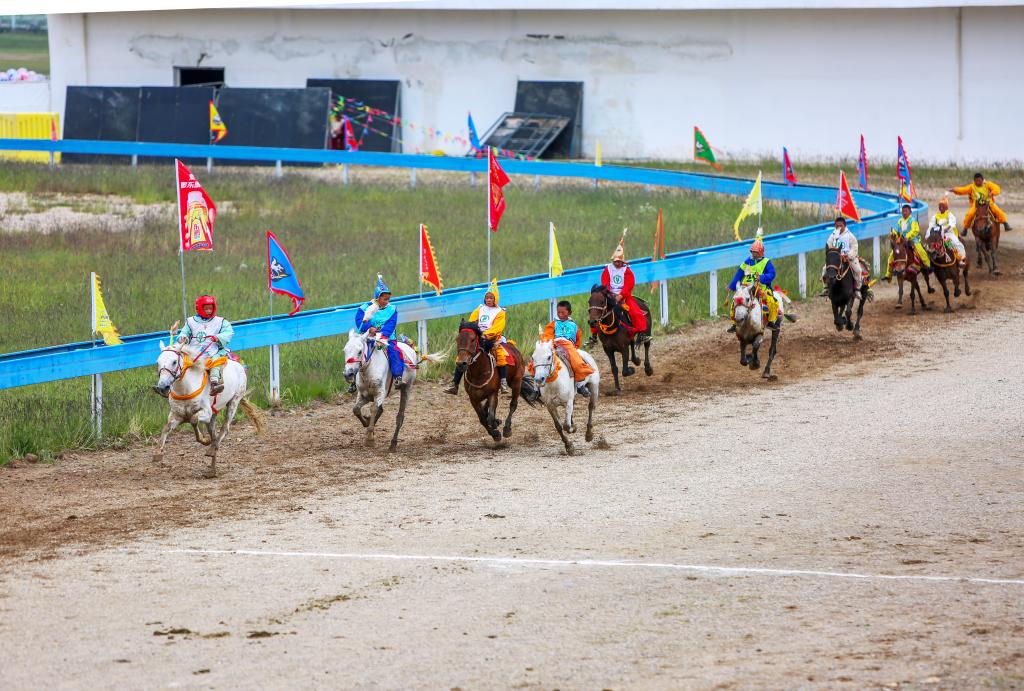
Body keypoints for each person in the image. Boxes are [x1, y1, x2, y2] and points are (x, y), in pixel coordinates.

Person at [446, 279, 511, 395]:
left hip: (491, 338)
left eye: (491, 298)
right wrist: (474, 332)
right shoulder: (479, 309)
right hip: (477, 336)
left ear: (495, 299)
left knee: (500, 354)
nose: (488, 300)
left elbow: (498, 327)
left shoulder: (500, 312)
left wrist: (486, 334)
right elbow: (472, 322)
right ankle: (454, 384)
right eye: (487, 298)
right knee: (461, 355)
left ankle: (503, 382)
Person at [595, 232, 650, 344]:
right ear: (613, 261)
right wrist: (610, 294)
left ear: (622, 261)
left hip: (624, 296)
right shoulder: (608, 269)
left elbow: (629, 285)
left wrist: (621, 295)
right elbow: (605, 282)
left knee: (636, 312)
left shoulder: (627, 271)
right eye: (616, 261)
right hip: (609, 295)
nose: (617, 263)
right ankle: (593, 336)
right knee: (596, 309)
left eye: (619, 261)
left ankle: (642, 333)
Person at [354, 274, 406, 391]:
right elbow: (359, 320)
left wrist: (382, 336)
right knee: (356, 352)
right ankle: (353, 381)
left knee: (395, 351)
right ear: (378, 298)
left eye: (388, 299)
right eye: (385, 299)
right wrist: (369, 328)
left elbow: (391, 324)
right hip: (368, 337)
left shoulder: (392, 309)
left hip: (387, 338)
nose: (387, 302)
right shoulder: (364, 308)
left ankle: (398, 376)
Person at [176, 294, 233, 394]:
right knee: (178, 363)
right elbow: (184, 332)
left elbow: (229, 332)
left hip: (213, 351)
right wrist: (183, 338)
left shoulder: (221, 321)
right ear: (199, 308)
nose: (209, 311)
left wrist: (218, 337)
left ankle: (214, 383)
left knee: (216, 360)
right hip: (193, 352)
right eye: (206, 309)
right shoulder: (190, 321)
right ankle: (171, 385)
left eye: (211, 308)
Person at [727, 237, 787, 332]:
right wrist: (732, 285)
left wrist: (762, 277)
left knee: (771, 301)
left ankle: (770, 321)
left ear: (761, 252)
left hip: (761, 287)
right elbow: (739, 274)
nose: (754, 254)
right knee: (735, 302)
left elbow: (772, 274)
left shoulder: (766, 262)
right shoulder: (747, 262)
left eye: (756, 252)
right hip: (745, 288)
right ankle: (735, 323)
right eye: (752, 252)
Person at [541, 300, 595, 397]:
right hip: (554, 343)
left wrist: (574, 348)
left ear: (569, 312)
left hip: (568, 345)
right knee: (539, 359)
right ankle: (536, 388)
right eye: (558, 312)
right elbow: (547, 334)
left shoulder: (574, 326)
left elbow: (578, 339)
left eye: (563, 312)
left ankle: (580, 384)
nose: (560, 315)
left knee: (576, 361)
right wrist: (548, 343)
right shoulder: (554, 324)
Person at [822, 216, 869, 295]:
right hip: (836, 259)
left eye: (840, 225)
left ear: (844, 225)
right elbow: (829, 246)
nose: (839, 227)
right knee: (824, 270)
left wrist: (848, 256)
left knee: (858, 270)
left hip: (848, 258)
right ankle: (826, 287)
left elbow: (854, 248)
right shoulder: (832, 236)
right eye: (837, 226)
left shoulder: (850, 236)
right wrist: (833, 255)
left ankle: (857, 289)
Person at [885, 203, 931, 281]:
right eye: (903, 211)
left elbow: (915, 230)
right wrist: (893, 233)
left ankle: (928, 266)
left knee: (921, 251)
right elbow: (896, 230)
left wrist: (907, 236)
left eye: (906, 211)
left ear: (910, 212)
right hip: (901, 241)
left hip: (912, 240)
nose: (904, 213)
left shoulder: (913, 220)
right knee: (891, 256)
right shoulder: (900, 221)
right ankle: (889, 274)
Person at [929, 196, 966, 268]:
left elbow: (952, 223)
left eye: (942, 206)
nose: (941, 208)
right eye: (940, 206)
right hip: (938, 234)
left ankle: (960, 259)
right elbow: (932, 224)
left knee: (955, 243)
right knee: (931, 244)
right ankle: (930, 260)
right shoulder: (936, 216)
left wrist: (946, 229)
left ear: (946, 207)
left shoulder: (949, 214)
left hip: (948, 234)